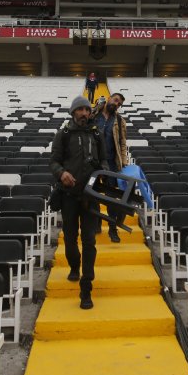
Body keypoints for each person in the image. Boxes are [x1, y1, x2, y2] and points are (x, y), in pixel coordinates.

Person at [50, 96, 106, 310]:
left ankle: (86, 285)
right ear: (73, 113)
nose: (84, 113)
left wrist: (102, 171)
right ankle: (74, 265)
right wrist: (61, 172)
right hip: (69, 196)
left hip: (90, 195)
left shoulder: (95, 133)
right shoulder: (63, 134)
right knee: (71, 238)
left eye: (86, 109)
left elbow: (103, 159)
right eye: (80, 110)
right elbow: (53, 161)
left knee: (89, 240)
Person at [91, 92, 129, 242]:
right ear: (109, 98)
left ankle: (112, 228)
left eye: (119, 104)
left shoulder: (120, 121)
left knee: (112, 198)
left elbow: (123, 143)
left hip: (112, 163)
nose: (117, 104)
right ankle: (97, 223)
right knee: (93, 195)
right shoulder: (94, 115)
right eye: (116, 100)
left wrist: (124, 163)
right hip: (93, 163)